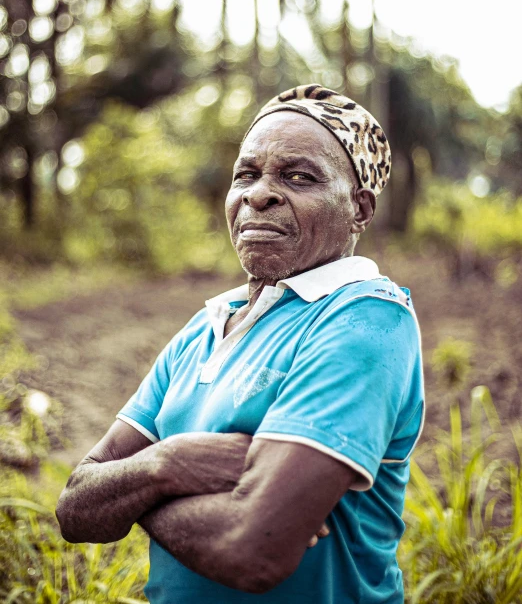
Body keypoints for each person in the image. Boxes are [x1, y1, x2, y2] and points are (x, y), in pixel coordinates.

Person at [56, 84, 424, 604]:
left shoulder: (364, 319)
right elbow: (76, 507)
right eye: (246, 175)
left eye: (299, 176)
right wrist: (169, 465)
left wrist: (133, 493)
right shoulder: (204, 327)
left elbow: (252, 549)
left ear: (360, 209)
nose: (259, 194)